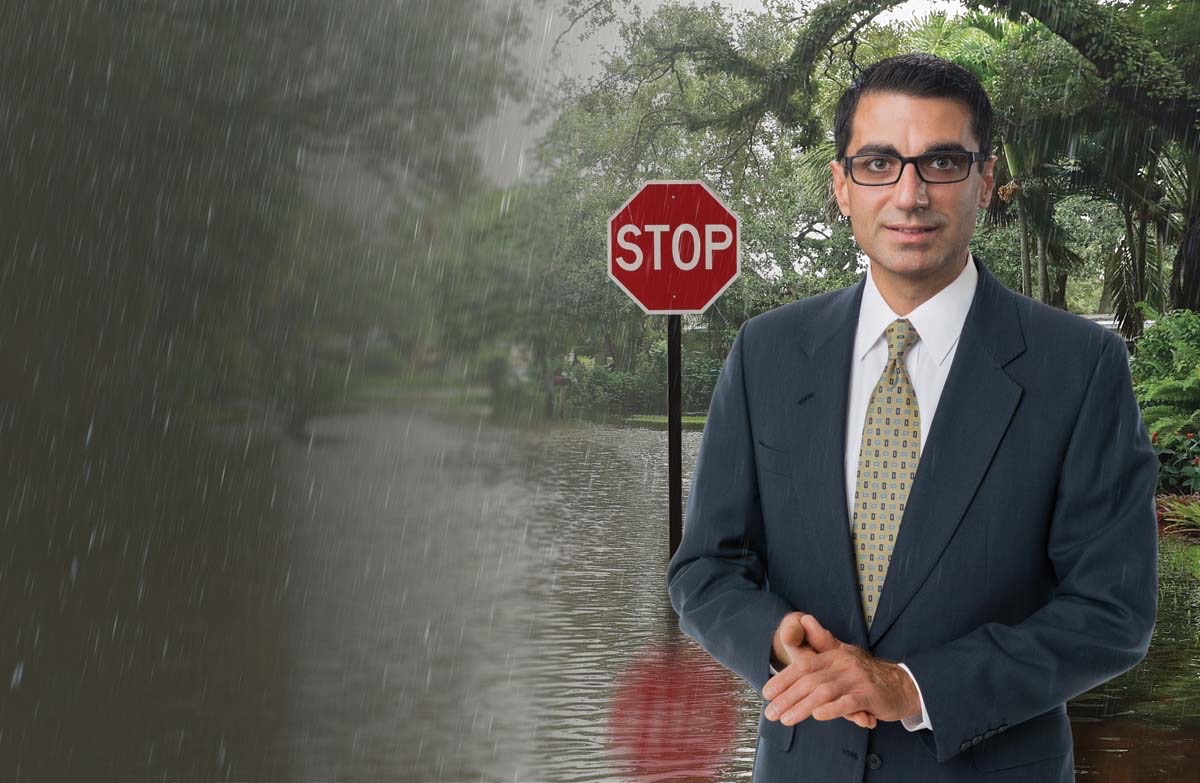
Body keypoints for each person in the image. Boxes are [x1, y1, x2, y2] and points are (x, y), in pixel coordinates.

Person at [666, 52, 1158, 782]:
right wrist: (775, 637)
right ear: (841, 186)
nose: (910, 193)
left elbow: (1112, 611)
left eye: (943, 162)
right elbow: (705, 567)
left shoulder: (1080, 369)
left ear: (986, 181)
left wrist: (911, 687)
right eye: (878, 163)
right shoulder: (766, 353)